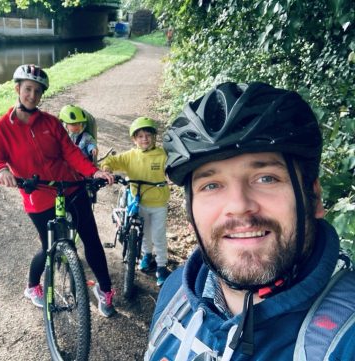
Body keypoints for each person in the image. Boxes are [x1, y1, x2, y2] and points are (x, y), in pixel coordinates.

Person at [144, 82, 355, 360]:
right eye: (211, 185)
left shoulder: (347, 337)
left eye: (266, 178)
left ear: (313, 197)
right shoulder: (175, 295)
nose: (239, 206)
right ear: (190, 214)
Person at [0, 64, 116, 318]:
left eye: (37, 91)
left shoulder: (51, 123)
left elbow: (71, 153)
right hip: (38, 194)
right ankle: (33, 287)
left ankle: (106, 290)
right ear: (18, 89)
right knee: (49, 246)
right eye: (28, 89)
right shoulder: (1, 128)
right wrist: (1, 171)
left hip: (70, 186)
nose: (32, 95)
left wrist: (92, 172)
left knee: (91, 239)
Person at [101, 117, 171, 286]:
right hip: (140, 203)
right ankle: (147, 255)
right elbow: (112, 160)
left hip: (159, 203)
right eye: (140, 136)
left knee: (159, 235)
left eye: (148, 135)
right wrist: (106, 169)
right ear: (134, 139)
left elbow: (174, 166)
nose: (144, 139)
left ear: (154, 137)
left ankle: (161, 265)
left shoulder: (162, 155)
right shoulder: (131, 156)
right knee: (145, 233)